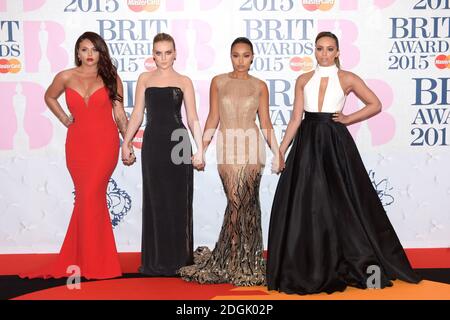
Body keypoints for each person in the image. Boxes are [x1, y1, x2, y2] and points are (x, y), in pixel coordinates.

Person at [266, 31, 421, 294]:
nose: (324, 54)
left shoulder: (347, 78)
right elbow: (295, 119)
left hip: (334, 142)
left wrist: (349, 119)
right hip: (307, 142)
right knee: (308, 203)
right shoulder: (303, 79)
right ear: (314, 51)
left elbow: (375, 104)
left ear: (337, 52)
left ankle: (346, 260)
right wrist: (280, 151)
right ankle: (307, 263)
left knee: (343, 202)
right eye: (319, 49)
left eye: (329, 49)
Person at [22, 31, 128, 279]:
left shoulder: (111, 77)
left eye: (94, 49)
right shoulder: (65, 76)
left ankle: (90, 261)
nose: (89, 54)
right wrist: (63, 118)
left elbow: (119, 114)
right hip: (78, 147)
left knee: (90, 196)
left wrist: (128, 142)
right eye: (84, 49)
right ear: (77, 52)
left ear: (101, 52)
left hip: (105, 145)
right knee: (86, 198)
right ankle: (92, 261)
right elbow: (49, 96)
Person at [178, 37, 283, 286]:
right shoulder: (219, 82)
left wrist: (278, 152)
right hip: (227, 149)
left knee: (245, 204)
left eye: (246, 55)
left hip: (251, 149)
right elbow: (213, 118)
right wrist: (200, 149)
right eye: (236, 55)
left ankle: (243, 258)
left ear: (253, 57)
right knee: (236, 202)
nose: (241, 61)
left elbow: (265, 123)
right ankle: (236, 258)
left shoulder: (259, 86)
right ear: (230, 56)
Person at [121, 33, 204, 276]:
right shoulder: (144, 79)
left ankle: (179, 260)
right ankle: (156, 260)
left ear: (175, 53)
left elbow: (192, 118)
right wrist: (125, 143)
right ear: (152, 54)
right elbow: (137, 114)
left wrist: (200, 149)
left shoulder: (184, 80)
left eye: (168, 52)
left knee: (178, 200)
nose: (163, 57)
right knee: (155, 200)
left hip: (179, 143)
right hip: (154, 144)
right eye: (158, 53)